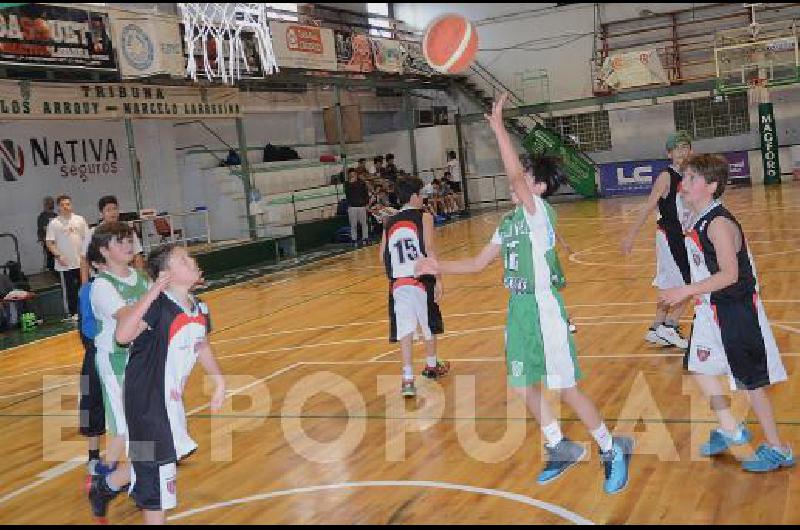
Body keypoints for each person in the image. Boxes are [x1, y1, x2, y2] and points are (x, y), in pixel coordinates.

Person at [415, 94, 633, 493]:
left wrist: (498, 128)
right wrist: (437, 266)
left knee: (567, 388)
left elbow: (515, 177)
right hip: (518, 310)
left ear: (538, 187)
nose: (517, 181)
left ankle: (611, 447)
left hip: (545, 308)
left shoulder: (538, 216)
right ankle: (559, 446)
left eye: (526, 176)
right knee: (521, 385)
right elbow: (480, 263)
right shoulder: (509, 221)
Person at [659, 154, 793, 473]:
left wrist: (685, 291)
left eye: (692, 178)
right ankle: (731, 428)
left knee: (752, 383)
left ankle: (779, 449)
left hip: (735, 311)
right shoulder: (698, 217)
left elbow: (730, 275)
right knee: (700, 367)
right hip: (710, 308)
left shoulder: (718, 223)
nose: (683, 184)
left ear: (712, 186)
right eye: (684, 177)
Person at [89, 244, 225, 524]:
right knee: (158, 483)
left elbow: (202, 346)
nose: (192, 260)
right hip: (146, 403)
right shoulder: (157, 306)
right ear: (166, 275)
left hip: (167, 401)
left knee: (156, 461)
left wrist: (218, 379)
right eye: (182, 259)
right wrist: (152, 292)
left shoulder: (199, 307)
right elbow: (123, 335)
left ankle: (106, 486)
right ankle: (109, 487)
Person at [85, 222, 150, 488]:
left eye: (129, 239)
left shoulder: (141, 278)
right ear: (103, 250)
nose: (127, 245)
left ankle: (105, 473)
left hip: (142, 360)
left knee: (138, 426)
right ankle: (124, 481)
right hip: (116, 361)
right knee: (132, 427)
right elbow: (129, 321)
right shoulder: (102, 286)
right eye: (119, 241)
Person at [621, 131, 694, 349]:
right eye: (677, 148)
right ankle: (670, 326)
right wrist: (631, 235)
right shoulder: (666, 176)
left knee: (668, 284)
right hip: (670, 237)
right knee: (690, 283)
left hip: (678, 236)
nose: (682, 152)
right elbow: (649, 205)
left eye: (685, 147)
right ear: (669, 153)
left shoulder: (689, 175)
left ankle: (656, 327)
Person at [379, 176, 450, 398]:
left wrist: (396, 274)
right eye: (421, 194)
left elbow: (382, 255)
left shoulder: (389, 221)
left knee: (405, 330)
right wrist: (438, 278)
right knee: (428, 324)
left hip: (398, 283)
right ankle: (431, 366)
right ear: (413, 197)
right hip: (421, 278)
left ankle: (407, 379)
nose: (423, 198)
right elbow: (429, 248)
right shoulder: (424, 217)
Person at [81, 195, 145, 284]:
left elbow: (137, 256)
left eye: (115, 209)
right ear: (101, 213)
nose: (113, 213)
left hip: (126, 276)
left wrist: (141, 278)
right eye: (108, 210)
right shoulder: (92, 233)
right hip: (102, 278)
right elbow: (84, 260)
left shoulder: (127, 231)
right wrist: (84, 284)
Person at [45, 195, 89, 322]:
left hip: (81, 262)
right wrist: (58, 255)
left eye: (68, 204)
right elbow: (49, 243)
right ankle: (72, 313)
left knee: (84, 288)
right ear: (58, 207)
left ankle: (86, 311)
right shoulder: (54, 223)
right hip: (65, 264)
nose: (66, 206)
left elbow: (87, 239)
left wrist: (87, 257)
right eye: (63, 204)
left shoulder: (79, 220)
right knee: (70, 290)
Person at [344, 167, 370, 247]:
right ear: (349, 175)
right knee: (353, 224)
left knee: (364, 224)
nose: (353, 176)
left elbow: (365, 194)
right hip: (352, 207)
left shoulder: (361, 183)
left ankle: (365, 238)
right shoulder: (347, 184)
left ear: (356, 174)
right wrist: (351, 183)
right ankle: (354, 240)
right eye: (351, 174)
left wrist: (366, 204)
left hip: (362, 206)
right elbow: (347, 194)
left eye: (354, 174)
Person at [37, 196, 57, 273]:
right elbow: (43, 229)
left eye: (51, 203)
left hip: (57, 241)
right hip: (48, 241)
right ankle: (52, 272)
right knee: (51, 259)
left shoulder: (56, 216)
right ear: (45, 205)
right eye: (48, 203)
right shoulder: (42, 217)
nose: (50, 205)